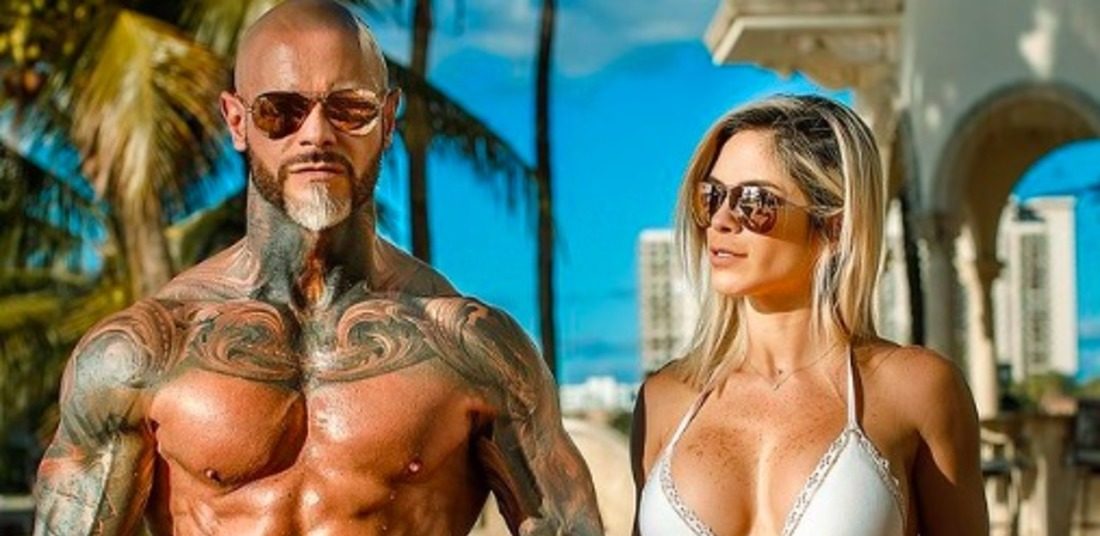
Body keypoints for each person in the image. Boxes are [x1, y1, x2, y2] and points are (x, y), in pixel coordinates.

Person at [32, 1, 603, 534]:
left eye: (350, 109)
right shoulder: (142, 354)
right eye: (281, 110)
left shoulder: (475, 350)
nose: (317, 135)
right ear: (237, 121)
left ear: (388, 119)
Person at [631, 95, 988, 535]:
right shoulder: (664, 401)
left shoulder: (914, 389)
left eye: (754, 201)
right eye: (712, 196)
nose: (720, 220)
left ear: (835, 227)